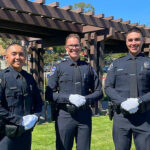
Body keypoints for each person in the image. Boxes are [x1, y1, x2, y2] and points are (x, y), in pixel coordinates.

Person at [46, 34, 103, 150]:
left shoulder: (88, 68)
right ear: (66, 48)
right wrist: (68, 98)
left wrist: (86, 99)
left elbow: (99, 92)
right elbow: (49, 94)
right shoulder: (58, 68)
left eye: (76, 45)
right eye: (71, 45)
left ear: (80, 47)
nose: (74, 48)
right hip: (65, 115)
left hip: (84, 115)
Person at [105, 27, 150, 150]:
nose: (133, 43)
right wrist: (122, 102)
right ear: (126, 42)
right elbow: (108, 87)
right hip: (121, 118)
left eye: (136, 40)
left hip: (144, 118)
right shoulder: (116, 64)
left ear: (142, 41)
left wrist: (139, 100)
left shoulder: (149, 62)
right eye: (130, 40)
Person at [0, 43, 43, 150]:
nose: (18, 57)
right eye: (14, 54)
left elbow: (38, 101)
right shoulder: (2, 77)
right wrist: (19, 120)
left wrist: (35, 117)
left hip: (25, 133)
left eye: (21, 54)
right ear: (7, 57)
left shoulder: (29, 78)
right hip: (6, 133)